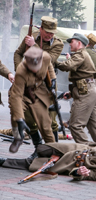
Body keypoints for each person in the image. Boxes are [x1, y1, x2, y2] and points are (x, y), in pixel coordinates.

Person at [14, 16, 64, 152]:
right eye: (47, 31)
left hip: (47, 84)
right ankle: (38, 149)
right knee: (29, 117)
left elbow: (49, 60)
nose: (50, 35)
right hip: (29, 83)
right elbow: (18, 54)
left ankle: (55, 151)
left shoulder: (58, 44)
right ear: (40, 29)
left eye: (52, 32)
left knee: (51, 121)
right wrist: (19, 71)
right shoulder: (32, 37)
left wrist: (33, 46)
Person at [56, 33, 96, 145]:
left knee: (75, 125)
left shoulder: (80, 54)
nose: (69, 44)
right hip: (89, 90)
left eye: (72, 41)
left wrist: (53, 62)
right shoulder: (82, 54)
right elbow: (82, 77)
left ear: (79, 43)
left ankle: (87, 151)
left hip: (86, 93)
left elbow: (68, 66)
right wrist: (71, 93)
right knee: (94, 125)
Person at [9, 46, 57, 153]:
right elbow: (16, 96)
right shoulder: (21, 71)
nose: (35, 69)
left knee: (46, 126)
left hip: (38, 93)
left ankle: (55, 151)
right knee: (16, 113)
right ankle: (18, 137)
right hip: (23, 94)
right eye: (32, 66)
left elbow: (49, 66)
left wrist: (53, 79)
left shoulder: (45, 57)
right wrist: (20, 119)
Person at [0, 141, 96, 182]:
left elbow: (85, 175)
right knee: (42, 148)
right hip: (74, 149)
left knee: (33, 165)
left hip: (69, 163)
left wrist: (80, 173)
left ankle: (4, 161)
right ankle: (35, 156)